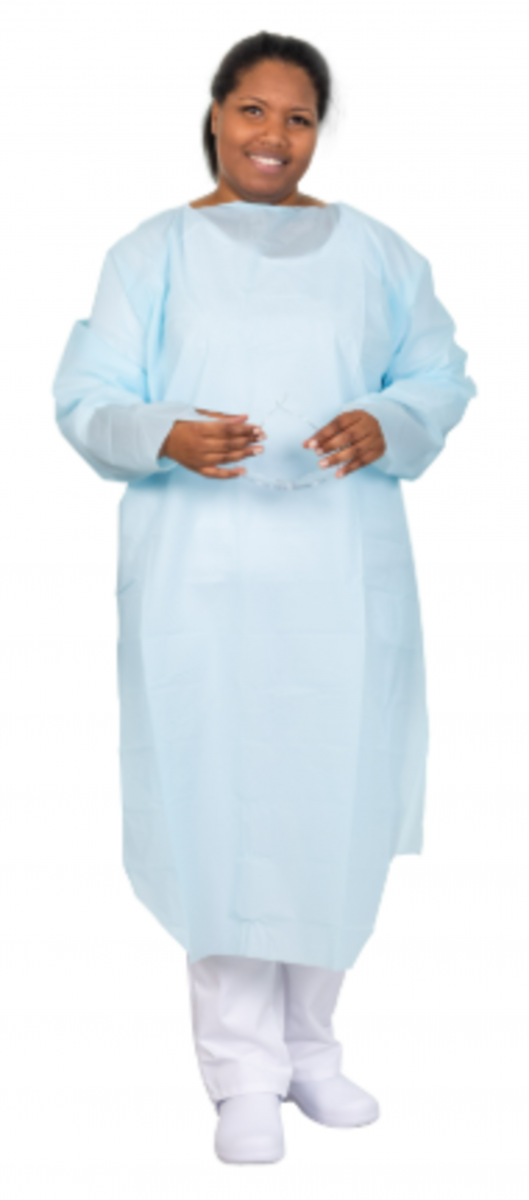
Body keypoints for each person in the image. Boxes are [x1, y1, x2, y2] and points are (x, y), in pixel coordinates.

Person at [53, 30, 477, 1165]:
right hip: (201, 584)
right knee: (220, 805)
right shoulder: (152, 254)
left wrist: (388, 420)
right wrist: (163, 433)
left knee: (329, 801)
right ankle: (241, 1071)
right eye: (253, 110)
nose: (273, 136)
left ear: (316, 131)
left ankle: (313, 1051)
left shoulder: (378, 254)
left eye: (297, 117)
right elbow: (87, 397)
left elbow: (439, 375)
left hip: (339, 581)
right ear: (215, 113)